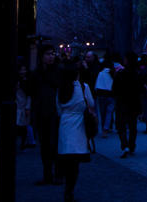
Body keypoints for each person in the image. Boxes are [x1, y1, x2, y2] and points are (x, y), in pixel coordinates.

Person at [56, 62, 95, 202]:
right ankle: (69, 190)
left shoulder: (61, 89)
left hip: (65, 123)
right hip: (79, 124)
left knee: (67, 157)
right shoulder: (84, 87)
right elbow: (91, 103)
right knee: (75, 161)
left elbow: (59, 111)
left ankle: (65, 183)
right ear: (77, 75)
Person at [31, 44, 64, 185]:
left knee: (54, 144)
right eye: (48, 54)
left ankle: (59, 174)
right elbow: (32, 91)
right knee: (44, 145)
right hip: (40, 111)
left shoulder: (60, 71)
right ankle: (47, 174)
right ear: (41, 56)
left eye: (53, 53)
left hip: (55, 112)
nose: (51, 56)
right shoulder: (35, 73)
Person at [113, 51, 143, 158]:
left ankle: (124, 145)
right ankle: (131, 146)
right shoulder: (138, 74)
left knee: (121, 125)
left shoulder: (120, 73)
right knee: (133, 126)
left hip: (121, 102)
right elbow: (141, 90)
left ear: (126, 60)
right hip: (134, 102)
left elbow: (114, 89)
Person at [94, 53, 121, 138]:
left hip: (102, 96)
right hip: (111, 96)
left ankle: (103, 129)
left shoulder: (101, 74)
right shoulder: (114, 74)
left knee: (102, 113)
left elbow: (97, 86)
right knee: (109, 114)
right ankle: (106, 129)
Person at [16, 62, 33, 151]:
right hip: (17, 106)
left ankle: (23, 145)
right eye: (21, 70)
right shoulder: (16, 81)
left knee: (23, 128)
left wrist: (28, 107)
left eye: (24, 70)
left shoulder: (28, 82)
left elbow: (29, 95)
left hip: (24, 106)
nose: (23, 72)